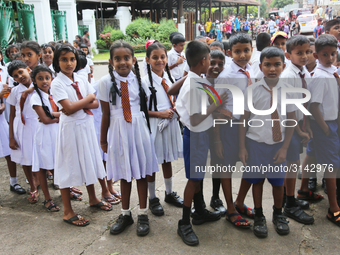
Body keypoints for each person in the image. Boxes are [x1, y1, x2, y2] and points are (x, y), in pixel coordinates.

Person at [99, 41, 158, 236]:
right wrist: (103, 140)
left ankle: (142, 213)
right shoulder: (105, 83)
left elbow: (144, 109)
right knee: (125, 174)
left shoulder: (141, 81)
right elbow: (105, 114)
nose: (122, 62)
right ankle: (125, 214)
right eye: (118, 58)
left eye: (126, 58)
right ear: (111, 61)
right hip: (118, 131)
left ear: (133, 59)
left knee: (141, 172)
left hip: (138, 129)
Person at [51, 44, 111, 227]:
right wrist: (85, 100)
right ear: (57, 61)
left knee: (90, 160)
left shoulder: (80, 78)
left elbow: (94, 104)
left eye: (72, 59)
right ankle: (67, 211)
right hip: (70, 129)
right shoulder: (57, 83)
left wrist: (78, 104)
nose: (69, 63)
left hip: (85, 125)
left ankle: (93, 198)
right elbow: (68, 108)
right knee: (68, 165)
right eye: (64, 59)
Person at [239, 46, 296, 238]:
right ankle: (259, 215)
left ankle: (278, 215)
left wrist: (285, 148)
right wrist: (242, 147)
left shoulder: (288, 90)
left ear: (283, 65)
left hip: (278, 146)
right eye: (267, 65)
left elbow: (291, 121)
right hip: (255, 144)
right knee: (257, 181)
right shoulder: (252, 90)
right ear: (260, 66)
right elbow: (243, 120)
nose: (272, 69)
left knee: (278, 183)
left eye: (276, 64)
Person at [176, 40, 226, 246]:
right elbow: (196, 118)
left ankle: (199, 212)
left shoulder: (197, 79)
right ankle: (184, 222)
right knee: (194, 179)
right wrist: (217, 104)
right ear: (203, 60)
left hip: (200, 135)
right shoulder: (194, 85)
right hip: (195, 135)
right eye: (209, 59)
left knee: (197, 177)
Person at [214, 33, 255, 228]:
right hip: (230, 126)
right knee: (227, 167)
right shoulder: (227, 76)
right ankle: (230, 207)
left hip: (250, 126)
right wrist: (218, 140)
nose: (243, 55)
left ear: (252, 50)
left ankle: (240, 201)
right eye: (237, 52)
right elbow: (216, 109)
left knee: (251, 164)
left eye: (246, 50)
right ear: (230, 53)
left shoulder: (253, 69)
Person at [142, 41, 184, 216]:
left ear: (167, 58)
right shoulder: (144, 82)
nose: (159, 60)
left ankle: (169, 193)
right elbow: (141, 110)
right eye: (155, 57)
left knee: (167, 159)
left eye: (162, 57)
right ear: (147, 59)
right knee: (152, 162)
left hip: (170, 123)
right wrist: (160, 114)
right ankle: (152, 197)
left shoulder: (169, 78)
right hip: (155, 124)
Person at [280, 36, 315, 225]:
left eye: (308, 52)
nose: (304, 56)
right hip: (289, 126)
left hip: (299, 123)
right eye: (299, 53)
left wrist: (306, 125)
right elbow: (289, 108)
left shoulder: (303, 73)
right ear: (288, 55)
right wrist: (300, 131)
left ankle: (289, 198)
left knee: (293, 162)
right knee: (292, 162)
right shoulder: (289, 76)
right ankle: (289, 203)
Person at [307, 34, 340, 226]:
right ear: (316, 55)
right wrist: (326, 129)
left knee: (322, 159)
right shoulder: (320, 76)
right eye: (325, 54)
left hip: (332, 123)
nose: (330, 58)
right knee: (331, 166)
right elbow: (314, 106)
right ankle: (333, 207)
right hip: (325, 125)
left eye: (333, 54)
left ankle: (304, 189)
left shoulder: (332, 72)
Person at [7, 60, 39, 203]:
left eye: (21, 72)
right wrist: (11, 137)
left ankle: (42, 181)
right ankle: (33, 187)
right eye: (15, 76)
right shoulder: (14, 91)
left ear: (28, 69)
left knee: (41, 154)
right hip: (22, 127)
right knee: (26, 159)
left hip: (39, 124)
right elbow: (12, 114)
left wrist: (32, 88)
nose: (19, 76)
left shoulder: (40, 83)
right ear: (13, 79)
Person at [30, 65, 60, 212]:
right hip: (43, 135)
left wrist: (55, 116)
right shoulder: (35, 97)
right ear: (34, 81)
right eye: (40, 79)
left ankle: (66, 189)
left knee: (56, 163)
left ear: (52, 79)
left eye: (47, 78)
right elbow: (45, 120)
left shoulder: (54, 94)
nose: (44, 81)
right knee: (43, 166)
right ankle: (47, 199)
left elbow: (54, 115)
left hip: (55, 133)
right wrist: (61, 116)